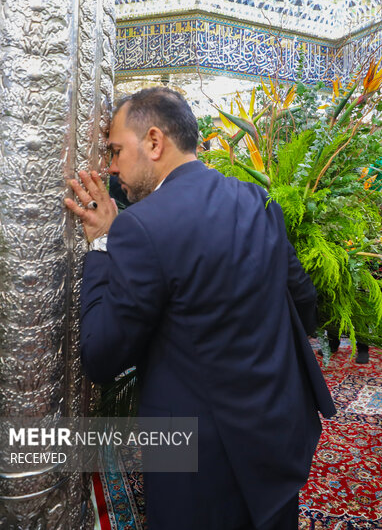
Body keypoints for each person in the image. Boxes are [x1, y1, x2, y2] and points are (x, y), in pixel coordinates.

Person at [64, 87, 336, 530]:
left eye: (115, 151)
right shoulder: (257, 201)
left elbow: (101, 356)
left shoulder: (140, 226)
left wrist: (101, 244)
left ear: (154, 142)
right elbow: (304, 306)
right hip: (278, 430)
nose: (111, 167)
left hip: (198, 461)